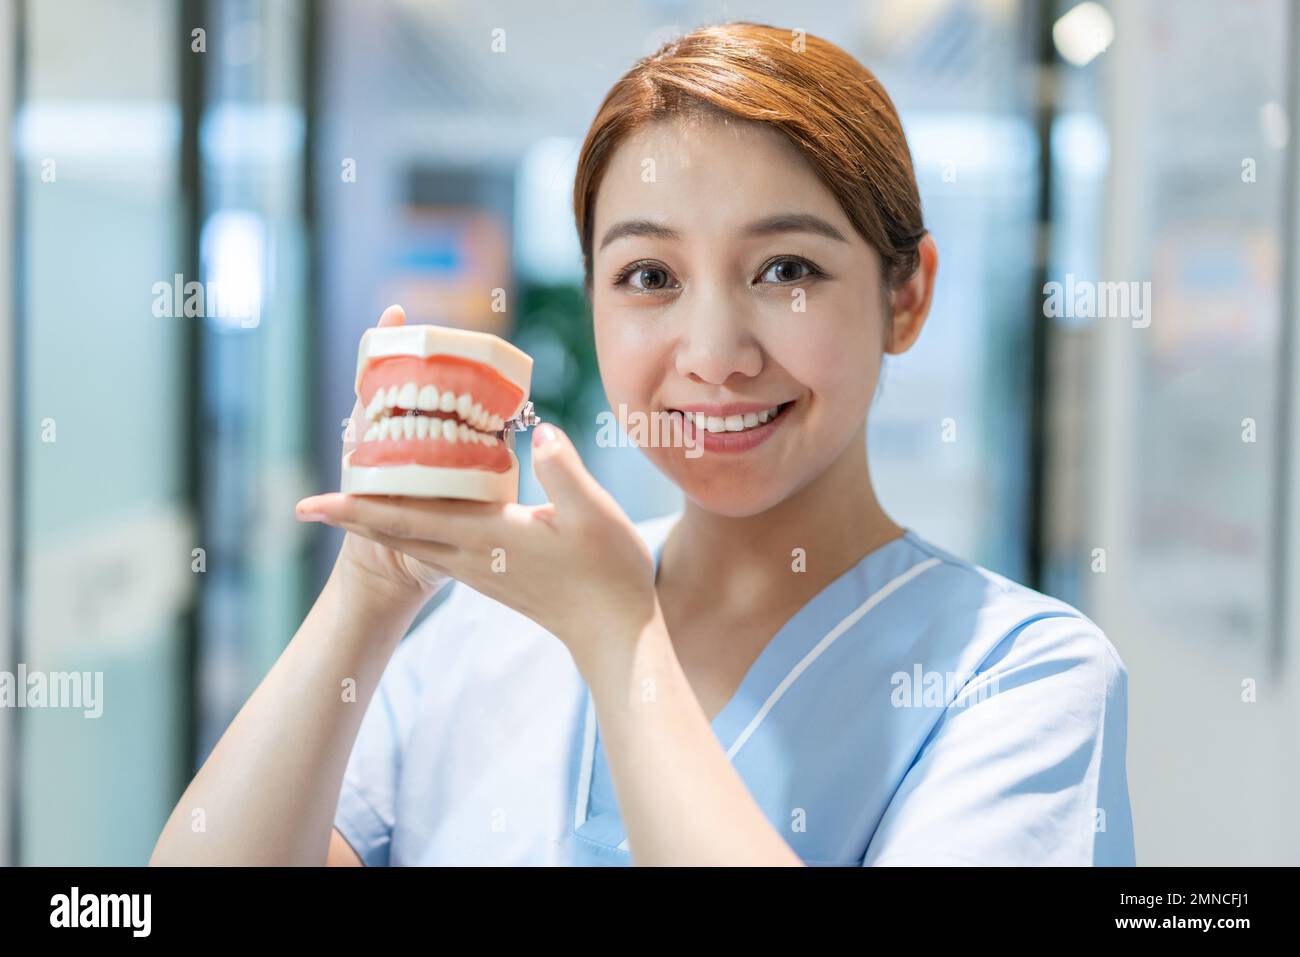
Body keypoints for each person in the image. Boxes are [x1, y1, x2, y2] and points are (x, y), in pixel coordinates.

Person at [151, 21, 1135, 867]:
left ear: (904, 294)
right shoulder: (484, 635)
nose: (712, 356)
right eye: (649, 276)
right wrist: (366, 593)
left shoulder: (1019, 678)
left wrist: (620, 646)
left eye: (785, 267)